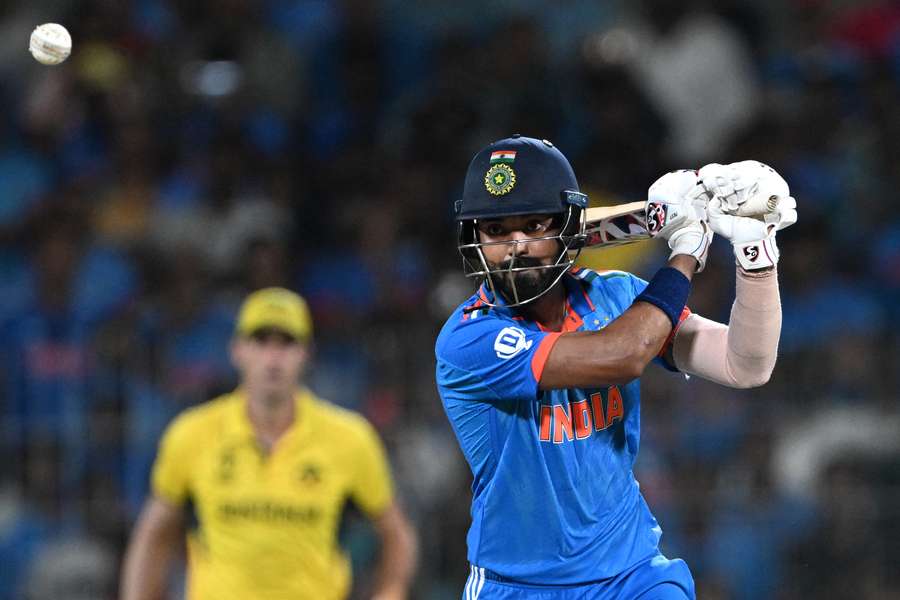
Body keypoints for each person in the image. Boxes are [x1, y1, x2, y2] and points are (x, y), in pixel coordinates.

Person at [435, 135, 796, 599]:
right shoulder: (469, 338)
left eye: (534, 224)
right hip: (517, 584)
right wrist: (685, 252)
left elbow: (745, 365)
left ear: (567, 226)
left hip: (632, 575)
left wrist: (755, 256)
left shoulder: (617, 297)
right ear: (474, 238)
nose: (517, 246)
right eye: (497, 230)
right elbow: (621, 355)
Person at [121, 287, 418, 600]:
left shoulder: (349, 438)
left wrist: (390, 592)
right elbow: (153, 535)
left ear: (306, 353)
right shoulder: (192, 434)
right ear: (237, 350)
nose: (273, 358)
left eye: (287, 342)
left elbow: (397, 534)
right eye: (261, 341)